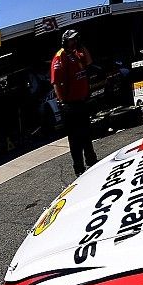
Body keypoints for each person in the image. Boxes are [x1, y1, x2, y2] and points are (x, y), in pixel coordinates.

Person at [51, 29, 97, 176]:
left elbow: (89, 61)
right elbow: (56, 82)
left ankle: (92, 161)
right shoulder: (60, 57)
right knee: (75, 139)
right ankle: (79, 169)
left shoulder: (76, 53)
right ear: (65, 40)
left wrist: (81, 46)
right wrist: (62, 102)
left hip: (82, 101)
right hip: (70, 105)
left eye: (76, 39)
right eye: (71, 39)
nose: (74, 41)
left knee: (86, 134)